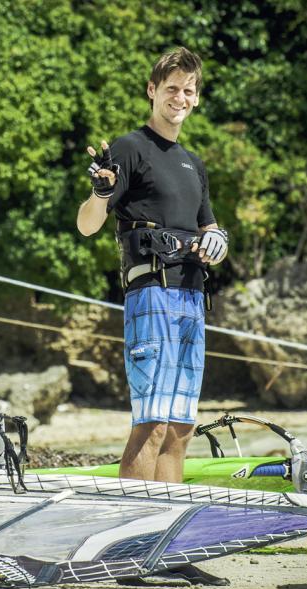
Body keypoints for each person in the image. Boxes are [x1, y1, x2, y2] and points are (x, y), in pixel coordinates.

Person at [77, 47, 229, 486]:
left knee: (181, 427)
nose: (179, 98)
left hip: (192, 298)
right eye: (171, 89)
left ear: (196, 98)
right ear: (152, 91)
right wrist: (102, 193)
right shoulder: (129, 148)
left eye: (188, 90)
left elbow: (210, 226)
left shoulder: (193, 163)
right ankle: (129, 537)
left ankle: (164, 538)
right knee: (152, 422)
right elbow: (88, 226)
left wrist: (218, 241)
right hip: (152, 295)